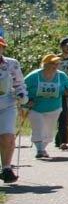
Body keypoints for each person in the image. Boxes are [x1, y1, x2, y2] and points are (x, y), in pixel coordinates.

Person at [23, 54, 68, 162]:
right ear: (45, 65)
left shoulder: (61, 76)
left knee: (48, 131)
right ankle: (40, 150)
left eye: (57, 63)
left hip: (54, 107)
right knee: (38, 127)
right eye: (53, 63)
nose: (55, 66)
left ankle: (43, 147)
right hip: (36, 107)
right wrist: (27, 100)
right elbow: (21, 87)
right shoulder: (33, 76)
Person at [0, 36, 24, 182]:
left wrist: (22, 94)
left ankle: (7, 169)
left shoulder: (12, 64)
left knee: (7, 137)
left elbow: (19, 83)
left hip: (7, 104)